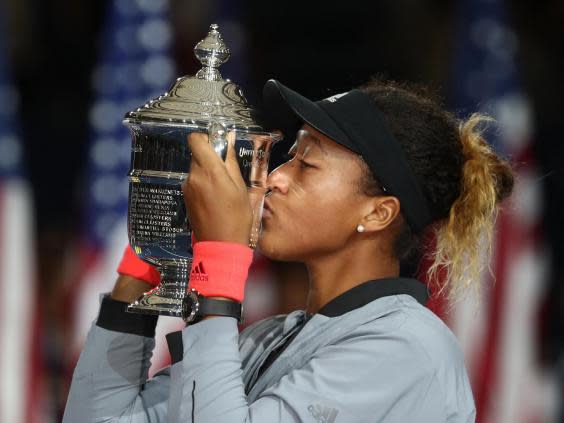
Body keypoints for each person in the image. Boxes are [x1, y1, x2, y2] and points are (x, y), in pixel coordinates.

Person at [63, 77, 514, 422]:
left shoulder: (407, 349)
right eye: (290, 157)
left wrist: (218, 267)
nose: (276, 177)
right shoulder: (266, 339)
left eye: (307, 164)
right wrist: (151, 257)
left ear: (379, 213)